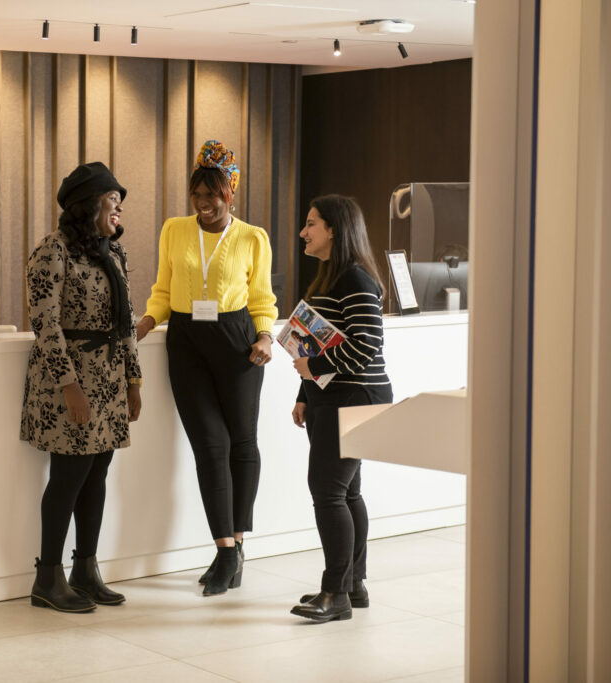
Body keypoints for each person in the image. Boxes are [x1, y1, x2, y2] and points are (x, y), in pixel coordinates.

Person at [136, 140, 277, 596]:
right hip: (187, 342)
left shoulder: (253, 237)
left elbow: (262, 300)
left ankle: (237, 542)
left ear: (230, 194)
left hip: (237, 343)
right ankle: (224, 548)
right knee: (209, 447)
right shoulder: (174, 230)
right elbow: (162, 288)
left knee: (242, 443)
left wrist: (265, 336)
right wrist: (145, 321)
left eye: (212, 195)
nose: (203, 203)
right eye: (197, 194)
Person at [21, 161, 143, 613]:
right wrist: (69, 385)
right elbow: (45, 323)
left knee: (98, 474)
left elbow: (125, 320)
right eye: (113, 199)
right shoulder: (52, 251)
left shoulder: (112, 252)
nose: (119, 207)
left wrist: (134, 379)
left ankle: (85, 570)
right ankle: (47, 578)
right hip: (66, 382)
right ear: (88, 203)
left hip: (110, 380)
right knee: (68, 476)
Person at [288, 194, 393, 623]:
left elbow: (367, 346)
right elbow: (320, 340)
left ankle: (336, 593)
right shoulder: (331, 278)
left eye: (311, 224)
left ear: (334, 229)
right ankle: (353, 584)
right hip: (331, 398)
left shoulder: (355, 278)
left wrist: (311, 367)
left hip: (354, 398)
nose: (303, 232)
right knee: (346, 493)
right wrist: (303, 391)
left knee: (328, 492)